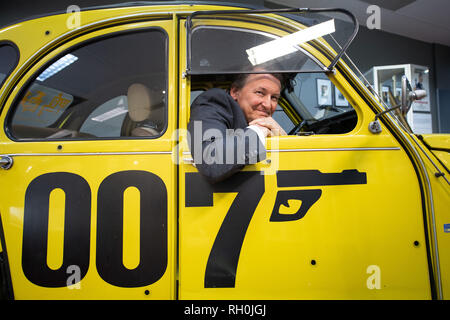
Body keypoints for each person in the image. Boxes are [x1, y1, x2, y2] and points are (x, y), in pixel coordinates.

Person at [187, 71, 286, 184]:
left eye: (274, 97)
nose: (268, 104)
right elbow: (210, 160)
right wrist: (259, 130)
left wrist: (283, 139)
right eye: (260, 93)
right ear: (235, 92)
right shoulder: (216, 101)